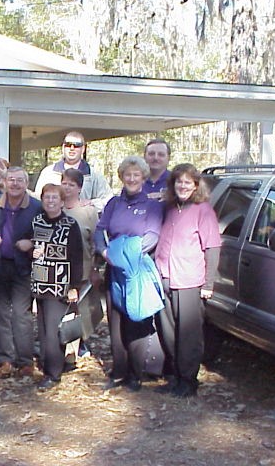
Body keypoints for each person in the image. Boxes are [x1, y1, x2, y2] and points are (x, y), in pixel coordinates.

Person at [94, 156, 164, 392]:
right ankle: (119, 371)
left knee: (136, 320)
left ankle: (135, 374)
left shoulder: (152, 205)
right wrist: (104, 251)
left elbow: (152, 236)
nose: (132, 179)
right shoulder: (114, 203)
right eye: (128, 175)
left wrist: (127, 254)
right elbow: (100, 230)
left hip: (137, 270)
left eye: (136, 175)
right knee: (116, 322)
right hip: (113, 268)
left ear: (143, 177)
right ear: (121, 177)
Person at [154, 163, 221, 397]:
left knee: (188, 335)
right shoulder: (170, 208)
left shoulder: (203, 210)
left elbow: (212, 247)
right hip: (165, 276)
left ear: (195, 185)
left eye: (187, 182)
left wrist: (208, 284)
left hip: (189, 280)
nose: (182, 186)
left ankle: (188, 381)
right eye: (178, 182)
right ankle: (174, 376)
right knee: (168, 332)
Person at [0, 167, 42, 378]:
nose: (15, 184)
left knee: (21, 314)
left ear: (26, 184)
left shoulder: (36, 207)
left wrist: (32, 243)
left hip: (23, 267)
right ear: (5, 182)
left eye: (19, 180)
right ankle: (5, 359)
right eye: (11, 180)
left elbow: (45, 234)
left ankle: (25, 360)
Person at [28, 183, 83, 389]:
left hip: (60, 285)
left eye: (55, 198)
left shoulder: (70, 225)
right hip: (40, 283)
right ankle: (47, 364)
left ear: (62, 202)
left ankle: (53, 373)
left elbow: (77, 257)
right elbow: (32, 245)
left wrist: (74, 286)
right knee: (43, 330)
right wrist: (31, 251)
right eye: (47, 197)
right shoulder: (37, 221)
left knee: (53, 331)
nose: (50, 201)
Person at [61, 168, 102, 362]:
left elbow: (96, 241)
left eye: (72, 184)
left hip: (83, 269)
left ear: (79, 188)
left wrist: (95, 268)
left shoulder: (88, 211)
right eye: (64, 183)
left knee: (81, 309)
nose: (67, 188)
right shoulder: (54, 207)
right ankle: (62, 344)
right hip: (58, 272)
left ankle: (78, 345)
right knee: (62, 310)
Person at [34, 131, 112, 212]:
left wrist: (92, 203)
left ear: (83, 149)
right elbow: (37, 198)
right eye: (68, 145)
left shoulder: (94, 174)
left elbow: (108, 199)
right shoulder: (48, 172)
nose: (72, 148)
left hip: (82, 217)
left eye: (76, 145)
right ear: (63, 147)